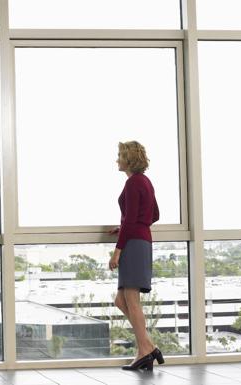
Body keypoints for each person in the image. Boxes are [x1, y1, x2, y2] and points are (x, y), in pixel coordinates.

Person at [108, 141, 164, 371]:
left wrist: (117, 252)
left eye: (120, 155)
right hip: (141, 241)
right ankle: (148, 347)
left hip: (133, 245)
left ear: (129, 159)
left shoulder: (133, 183)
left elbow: (132, 219)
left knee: (131, 301)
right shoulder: (145, 182)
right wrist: (128, 228)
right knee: (121, 300)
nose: (117, 159)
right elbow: (155, 214)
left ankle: (145, 351)